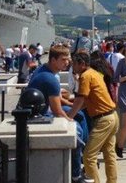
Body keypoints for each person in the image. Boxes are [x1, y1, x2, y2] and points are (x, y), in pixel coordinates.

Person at [28, 45, 88, 183]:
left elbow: (56, 100)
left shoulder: (44, 70)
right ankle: (76, 175)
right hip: (39, 116)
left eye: (68, 59)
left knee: (80, 115)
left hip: (41, 111)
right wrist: (70, 121)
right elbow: (58, 112)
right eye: (63, 60)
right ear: (53, 60)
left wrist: (71, 107)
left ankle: (83, 155)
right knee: (77, 130)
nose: (67, 63)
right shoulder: (50, 78)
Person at [67, 52, 118, 183]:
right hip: (112, 116)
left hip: (103, 120)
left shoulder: (85, 76)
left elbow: (80, 99)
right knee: (109, 154)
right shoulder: (95, 73)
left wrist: (68, 116)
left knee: (88, 157)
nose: (72, 67)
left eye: (74, 64)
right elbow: (87, 100)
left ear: (82, 64)